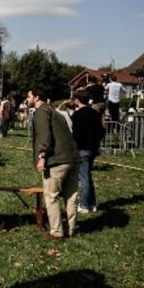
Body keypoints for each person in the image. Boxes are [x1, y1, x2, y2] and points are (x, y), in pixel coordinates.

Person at [28, 89, 80, 240]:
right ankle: (71, 230)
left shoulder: (41, 112)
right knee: (71, 196)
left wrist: (42, 155)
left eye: (29, 96)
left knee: (51, 196)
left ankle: (56, 232)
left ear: (37, 97)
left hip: (57, 160)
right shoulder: (55, 112)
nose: (27, 99)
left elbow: (44, 135)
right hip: (72, 158)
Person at [71, 90, 105, 213]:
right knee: (87, 176)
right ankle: (92, 203)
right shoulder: (95, 113)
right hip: (93, 148)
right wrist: (95, 142)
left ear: (77, 100)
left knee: (83, 178)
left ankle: (84, 205)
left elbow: (75, 134)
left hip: (82, 149)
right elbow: (101, 131)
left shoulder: (77, 115)